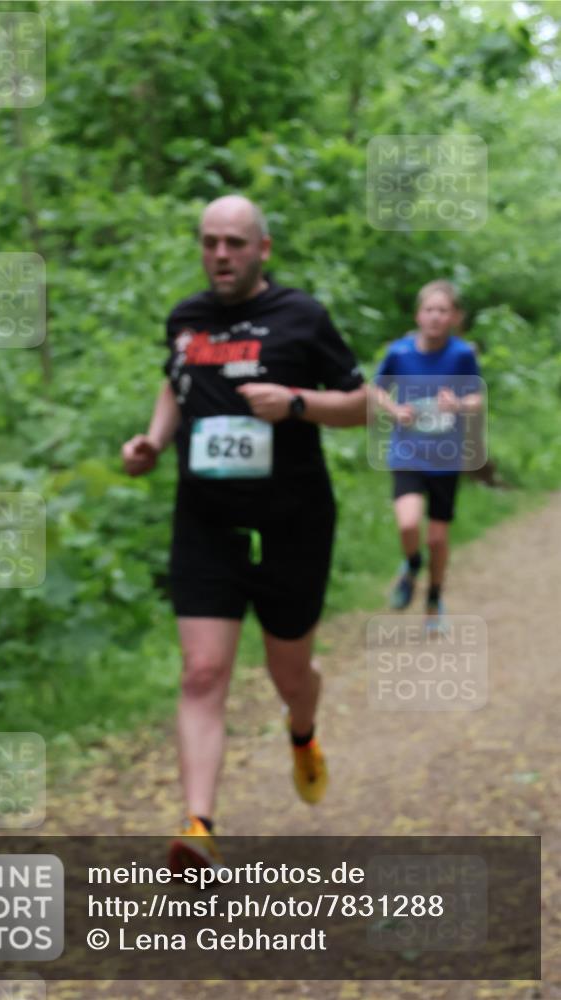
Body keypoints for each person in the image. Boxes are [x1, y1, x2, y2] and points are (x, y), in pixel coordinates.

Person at [121, 195, 366, 871]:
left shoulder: (301, 317)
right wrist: (152, 440)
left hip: (291, 520)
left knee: (290, 674)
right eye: (208, 242)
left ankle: (302, 730)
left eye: (233, 242)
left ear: (262, 248)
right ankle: (198, 826)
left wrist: (295, 404)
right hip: (205, 519)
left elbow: (360, 405)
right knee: (202, 671)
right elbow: (176, 383)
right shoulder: (185, 318)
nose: (219, 255)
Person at [372, 280, 483, 630]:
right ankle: (411, 564)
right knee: (407, 523)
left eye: (443, 311)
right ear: (419, 315)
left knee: (437, 537)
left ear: (455, 317)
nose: (435, 317)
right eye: (429, 310)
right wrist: (393, 410)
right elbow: (376, 389)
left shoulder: (462, 354)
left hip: (446, 456)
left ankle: (434, 600)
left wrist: (460, 404)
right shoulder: (400, 352)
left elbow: (477, 398)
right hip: (407, 452)